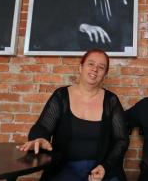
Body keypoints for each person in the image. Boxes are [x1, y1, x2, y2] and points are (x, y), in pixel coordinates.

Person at [17, 49, 129, 181]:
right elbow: (43, 126)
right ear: (80, 67)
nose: (95, 69)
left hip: (100, 169)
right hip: (64, 168)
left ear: (105, 73)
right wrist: (40, 138)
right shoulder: (61, 96)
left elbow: (121, 140)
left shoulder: (111, 101)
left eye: (101, 67)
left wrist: (105, 167)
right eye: (91, 64)